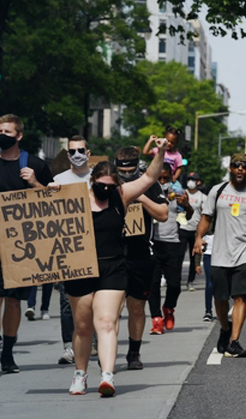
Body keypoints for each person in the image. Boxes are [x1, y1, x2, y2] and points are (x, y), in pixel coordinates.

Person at [64, 138, 168, 397]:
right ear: (92, 182)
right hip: (80, 269)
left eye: (111, 187)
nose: (106, 191)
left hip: (113, 268)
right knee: (84, 327)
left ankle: (107, 377)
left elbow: (150, 177)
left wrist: (162, 151)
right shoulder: (72, 199)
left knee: (107, 322)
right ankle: (80, 374)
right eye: (102, 186)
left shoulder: (121, 196)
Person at [0, 114, 54, 376]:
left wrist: (35, 184)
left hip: (23, 246)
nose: (1, 135)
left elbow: (54, 202)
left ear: (19, 136)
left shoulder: (36, 164)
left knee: (14, 302)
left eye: (7, 131)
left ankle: (8, 354)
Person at [194, 153, 246, 359]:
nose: (240, 169)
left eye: (244, 166)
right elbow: (206, 217)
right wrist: (199, 237)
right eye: (236, 165)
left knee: (240, 296)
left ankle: (234, 342)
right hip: (220, 253)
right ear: (231, 168)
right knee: (220, 298)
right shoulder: (217, 191)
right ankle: (225, 329)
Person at [115, 146, 169, 370]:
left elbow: (163, 214)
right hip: (113, 255)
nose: (126, 175)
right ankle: (105, 348)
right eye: (122, 170)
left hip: (140, 256)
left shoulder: (149, 183)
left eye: (130, 170)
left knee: (136, 308)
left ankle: (134, 353)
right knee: (112, 310)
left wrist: (139, 196)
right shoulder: (107, 182)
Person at [52, 136, 94, 364]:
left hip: (95, 247)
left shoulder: (98, 178)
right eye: (72, 151)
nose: (77, 154)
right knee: (67, 301)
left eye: (81, 150)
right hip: (67, 249)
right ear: (68, 155)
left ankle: (93, 341)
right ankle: (69, 346)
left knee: (94, 298)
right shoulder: (58, 180)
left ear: (88, 153)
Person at [148, 163, 185, 335]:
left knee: (175, 284)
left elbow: (188, 216)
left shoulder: (177, 193)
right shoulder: (148, 191)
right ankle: (156, 319)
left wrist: (187, 205)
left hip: (173, 242)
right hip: (154, 242)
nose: (162, 181)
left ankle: (169, 308)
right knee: (153, 284)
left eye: (165, 178)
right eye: (159, 178)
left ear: (171, 177)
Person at [180, 172, 206, 292]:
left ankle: (190, 281)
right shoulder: (182, 193)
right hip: (182, 228)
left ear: (198, 182)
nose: (190, 181)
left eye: (193, 179)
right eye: (189, 179)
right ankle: (176, 279)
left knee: (193, 257)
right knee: (178, 256)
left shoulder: (202, 197)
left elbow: (205, 216)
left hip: (195, 231)